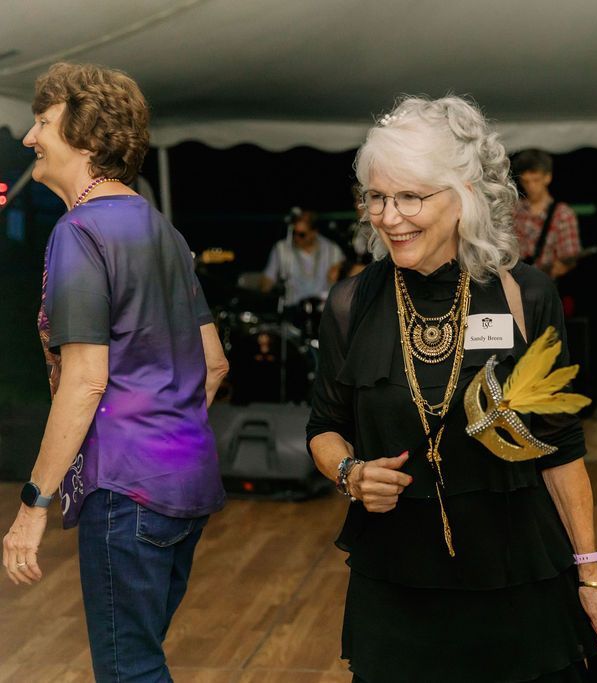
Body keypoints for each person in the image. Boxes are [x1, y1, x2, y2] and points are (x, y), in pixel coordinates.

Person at [306, 96, 597, 682]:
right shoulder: (352, 304)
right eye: (377, 197)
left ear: (465, 196)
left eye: (411, 197)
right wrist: (350, 473)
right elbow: (324, 427)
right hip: (399, 585)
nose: (389, 217)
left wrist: (591, 573)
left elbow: (561, 449)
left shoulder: (525, 297)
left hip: (516, 578)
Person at [1, 62, 228, 681]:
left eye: (43, 122)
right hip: (186, 484)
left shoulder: (80, 231)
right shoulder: (164, 231)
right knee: (141, 660)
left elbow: (85, 379)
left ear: (86, 137)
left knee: (129, 671)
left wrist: (33, 506)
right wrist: (163, 429)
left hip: (127, 490)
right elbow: (213, 363)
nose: (29, 137)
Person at [512, 149, 581, 279]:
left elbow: (570, 258)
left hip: (545, 283)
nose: (531, 186)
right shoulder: (513, 210)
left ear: (547, 177)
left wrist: (561, 268)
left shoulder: (563, 215)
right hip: (513, 281)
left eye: (536, 180)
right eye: (526, 181)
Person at [260, 208, 344, 305]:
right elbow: (268, 279)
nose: (296, 238)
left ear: (314, 233)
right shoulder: (281, 249)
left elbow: (344, 280)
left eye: (302, 235)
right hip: (292, 308)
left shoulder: (332, 250)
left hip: (323, 309)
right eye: (294, 233)